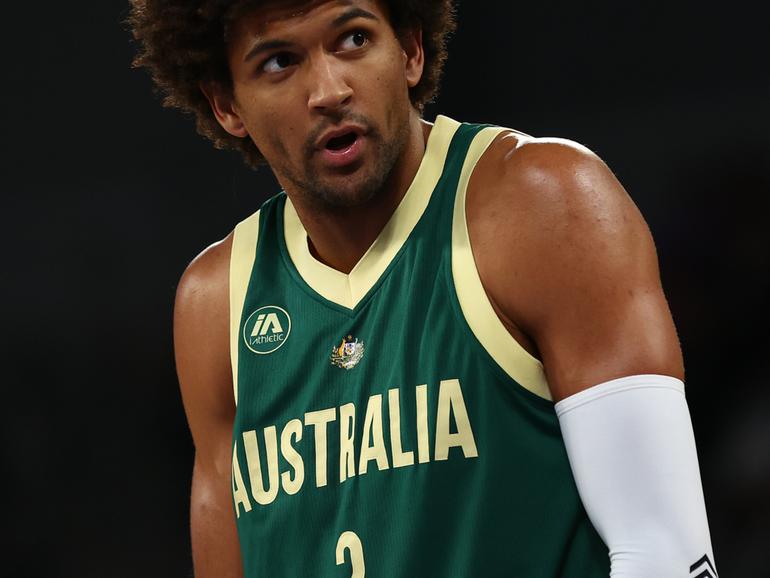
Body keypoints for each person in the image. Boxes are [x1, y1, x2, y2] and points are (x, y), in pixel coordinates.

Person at [129, 1, 718, 576]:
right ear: (228, 105)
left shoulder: (543, 203)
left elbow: (665, 550)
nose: (329, 90)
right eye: (280, 61)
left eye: (353, 38)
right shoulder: (216, 303)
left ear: (410, 49)